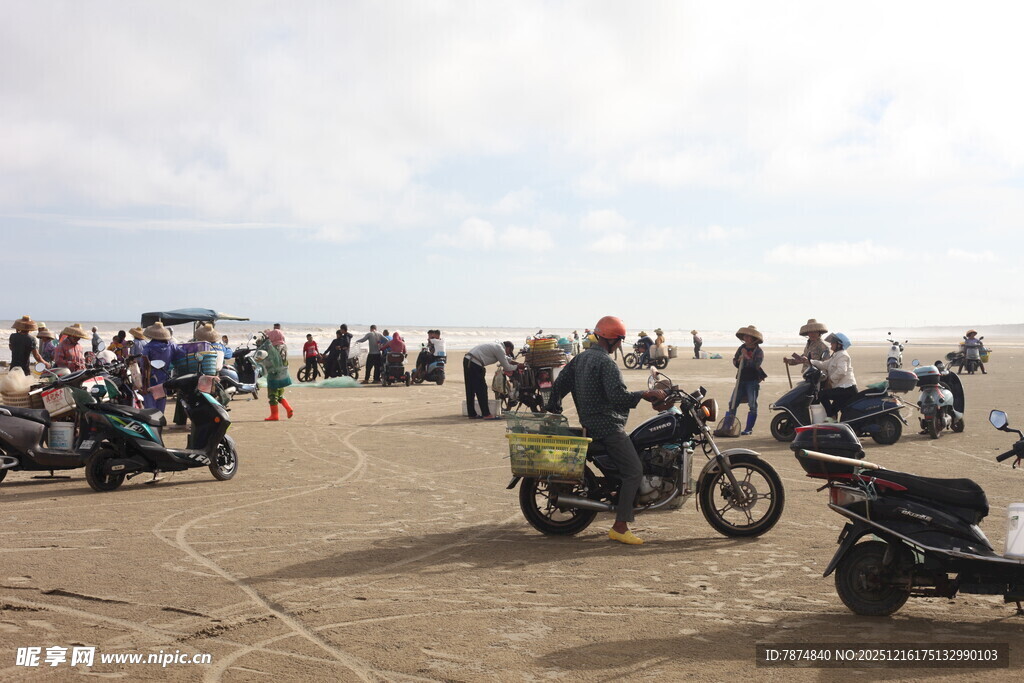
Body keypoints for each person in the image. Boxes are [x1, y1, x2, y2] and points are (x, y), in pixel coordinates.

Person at [547, 315, 667, 545]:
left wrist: (553, 408)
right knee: (634, 471)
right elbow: (618, 397)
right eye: (621, 340)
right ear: (614, 340)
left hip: (590, 424)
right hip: (607, 427)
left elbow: (560, 384)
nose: (621, 345)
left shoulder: (581, 358)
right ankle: (620, 527)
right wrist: (643, 394)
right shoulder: (606, 363)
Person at [802, 333, 857, 419]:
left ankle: (831, 418)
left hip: (847, 389)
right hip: (841, 388)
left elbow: (842, 371)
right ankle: (833, 420)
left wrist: (830, 380)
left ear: (839, 344)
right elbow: (824, 364)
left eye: (833, 342)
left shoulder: (843, 355)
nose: (831, 344)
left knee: (822, 395)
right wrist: (809, 361)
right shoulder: (836, 355)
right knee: (833, 409)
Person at [464, 341, 523, 419]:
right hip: (475, 364)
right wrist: (518, 366)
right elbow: (507, 367)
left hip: (468, 360)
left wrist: (517, 363)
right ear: (508, 348)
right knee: (482, 389)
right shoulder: (500, 349)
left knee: (470, 389)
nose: (508, 354)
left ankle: (472, 414)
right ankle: (486, 414)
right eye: (509, 352)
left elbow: (506, 359)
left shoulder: (496, 346)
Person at [730, 325, 766, 435]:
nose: (746, 338)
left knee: (752, 404)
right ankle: (729, 425)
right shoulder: (741, 348)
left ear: (754, 338)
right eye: (745, 336)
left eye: (748, 336)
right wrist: (738, 360)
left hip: (752, 380)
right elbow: (736, 362)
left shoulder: (759, 351)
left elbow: (756, 365)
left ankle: (748, 429)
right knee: (733, 402)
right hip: (741, 379)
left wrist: (747, 357)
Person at [255, 335, 293, 420]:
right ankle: (288, 408)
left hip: (274, 377)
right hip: (282, 376)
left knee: (272, 396)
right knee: (279, 395)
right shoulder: (281, 349)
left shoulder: (270, 351)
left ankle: (274, 415)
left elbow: (267, 363)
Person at [141, 322, 176, 412]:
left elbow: (143, 365)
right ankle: (160, 420)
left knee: (150, 401)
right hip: (164, 377)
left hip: (150, 378)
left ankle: (151, 421)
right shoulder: (171, 346)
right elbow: (178, 358)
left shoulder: (148, 347)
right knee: (161, 399)